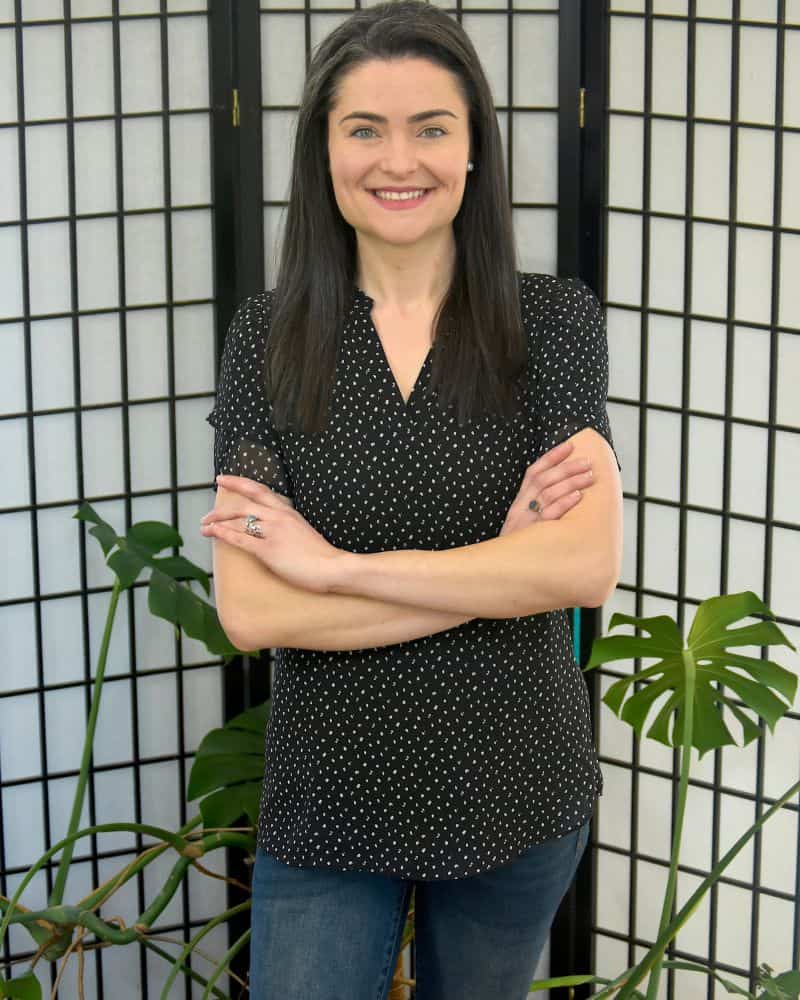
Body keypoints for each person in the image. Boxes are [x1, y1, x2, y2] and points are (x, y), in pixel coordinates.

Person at [200, 1, 623, 996]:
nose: (400, 160)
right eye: (364, 129)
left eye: (430, 127)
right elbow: (255, 609)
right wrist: (495, 571)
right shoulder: (266, 340)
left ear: (472, 147)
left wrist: (332, 569)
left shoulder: (552, 324)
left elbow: (579, 566)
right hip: (327, 801)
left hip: (515, 790)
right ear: (323, 153)